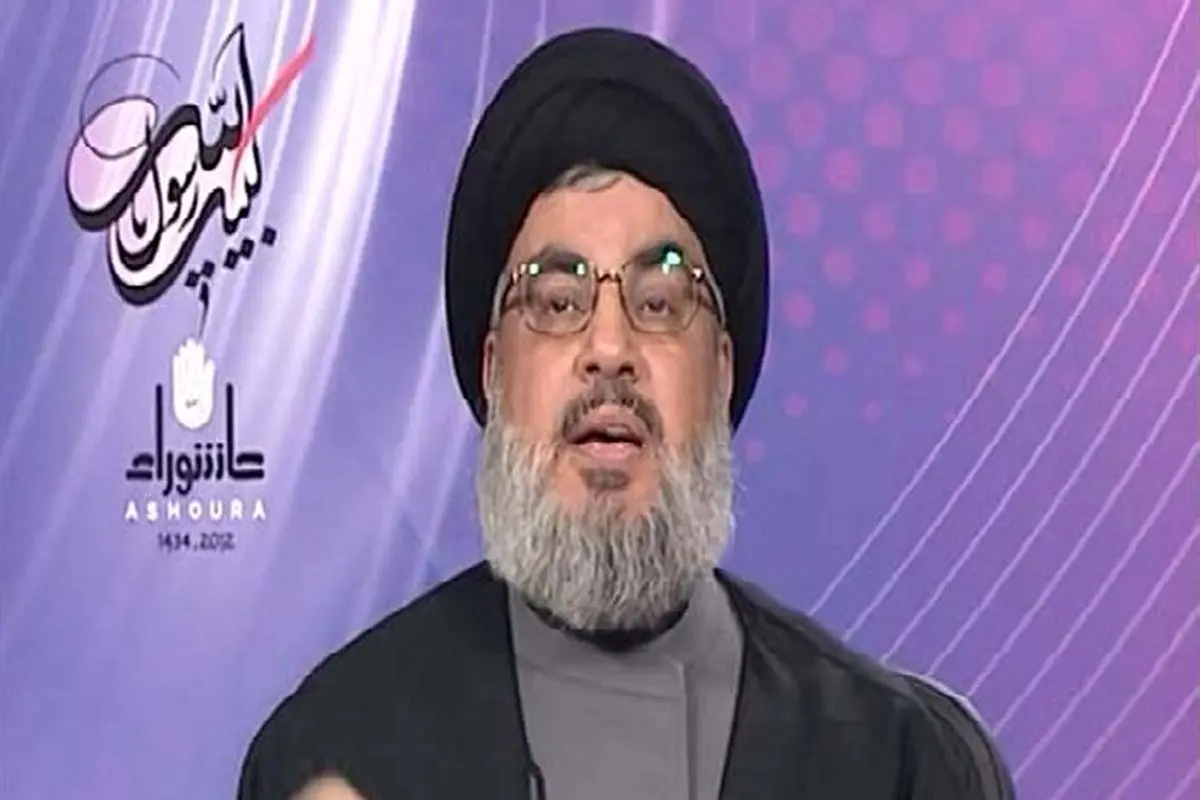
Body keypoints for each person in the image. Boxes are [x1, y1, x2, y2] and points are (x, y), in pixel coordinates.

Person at [237, 27, 1014, 800]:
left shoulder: (897, 763)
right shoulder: (339, 751)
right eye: (556, 300)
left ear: (721, 370)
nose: (609, 347)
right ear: (493, 371)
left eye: (661, 300)